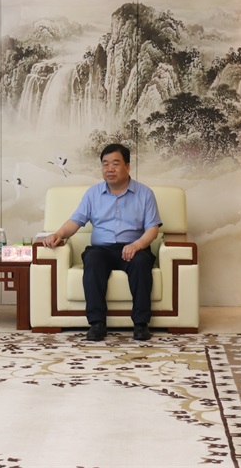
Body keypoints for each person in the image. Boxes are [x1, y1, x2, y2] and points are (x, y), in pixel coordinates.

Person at [42, 143, 161, 341]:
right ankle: (97, 324)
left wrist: (136, 245)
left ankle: (141, 324)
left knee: (141, 263)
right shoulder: (93, 193)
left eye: (115, 163)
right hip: (101, 249)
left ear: (127, 166)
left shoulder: (145, 194)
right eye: (105, 164)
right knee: (93, 260)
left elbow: (153, 229)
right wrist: (59, 234)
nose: (109, 169)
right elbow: (76, 221)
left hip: (134, 248)